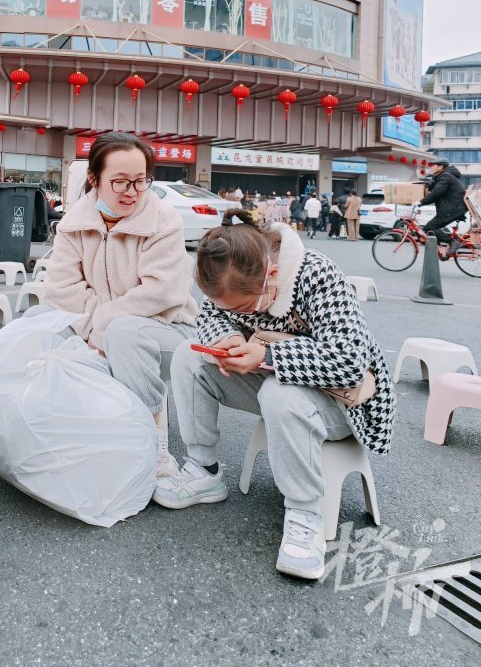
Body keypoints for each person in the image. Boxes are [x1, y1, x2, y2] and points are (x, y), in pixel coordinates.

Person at [153, 209, 395, 580]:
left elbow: (350, 361)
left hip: (344, 402)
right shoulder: (230, 275)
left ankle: (305, 513)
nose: (236, 313)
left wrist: (267, 355)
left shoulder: (316, 274)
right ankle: (204, 470)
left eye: (243, 307)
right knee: (190, 356)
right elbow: (209, 317)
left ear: (272, 274)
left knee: (282, 394)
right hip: (275, 383)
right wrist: (230, 339)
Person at [41, 132, 197, 477]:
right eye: (120, 183)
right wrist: (94, 329)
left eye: (141, 182)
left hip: (167, 333)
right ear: (94, 180)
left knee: (125, 331)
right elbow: (60, 287)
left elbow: (161, 293)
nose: (132, 193)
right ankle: (46, 428)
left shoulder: (164, 221)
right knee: (38, 319)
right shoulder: (73, 225)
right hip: (96, 328)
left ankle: (152, 428)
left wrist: (102, 326)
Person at [418, 158, 467, 248]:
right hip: (452, 209)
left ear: (441, 166)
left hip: (452, 209)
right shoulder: (444, 176)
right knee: (430, 228)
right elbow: (435, 192)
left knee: (429, 228)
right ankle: (443, 248)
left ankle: (454, 242)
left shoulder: (446, 176)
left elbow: (436, 193)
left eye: (433, 165)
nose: (431, 167)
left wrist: (420, 202)